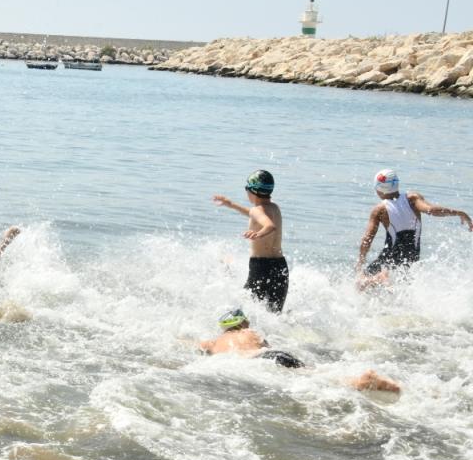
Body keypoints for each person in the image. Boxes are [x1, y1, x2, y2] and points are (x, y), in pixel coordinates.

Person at [198, 308, 401, 393]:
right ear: (243, 322)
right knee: (313, 372)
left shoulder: (215, 342)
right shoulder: (250, 332)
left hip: (255, 363)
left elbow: (195, 346)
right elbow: (266, 346)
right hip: (272, 356)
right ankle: (359, 379)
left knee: (310, 378)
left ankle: (361, 382)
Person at [357, 168, 472, 288]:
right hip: (412, 257)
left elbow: (367, 239)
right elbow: (431, 210)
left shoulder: (379, 209)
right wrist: (459, 213)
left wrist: (361, 260)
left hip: (389, 256)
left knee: (360, 284)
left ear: (379, 188)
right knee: (401, 288)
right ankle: (383, 280)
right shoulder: (412, 199)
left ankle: (380, 278)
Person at [212, 170, 288, 313]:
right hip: (280, 267)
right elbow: (255, 214)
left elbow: (270, 226)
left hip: (261, 267)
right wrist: (231, 204)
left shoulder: (257, 211)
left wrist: (258, 234)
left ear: (252, 191)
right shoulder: (274, 208)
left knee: (246, 309)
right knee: (273, 313)